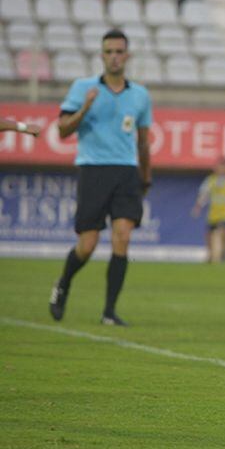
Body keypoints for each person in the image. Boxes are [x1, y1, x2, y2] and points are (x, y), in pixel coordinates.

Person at [49, 29, 153, 327]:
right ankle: (63, 283)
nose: (114, 57)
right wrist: (84, 108)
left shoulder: (140, 95)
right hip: (93, 169)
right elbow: (62, 129)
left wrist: (145, 178)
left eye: (119, 51)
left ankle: (109, 311)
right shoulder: (83, 88)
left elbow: (143, 141)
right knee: (88, 244)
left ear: (127, 56)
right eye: (109, 52)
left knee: (123, 237)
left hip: (126, 170)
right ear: (101, 55)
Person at [191, 158, 225, 263]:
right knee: (209, 234)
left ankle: (224, 252)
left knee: (224, 232)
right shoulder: (210, 180)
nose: (221, 169)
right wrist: (198, 207)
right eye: (219, 167)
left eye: (223, 167)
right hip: (213, 212)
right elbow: (204, 195)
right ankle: (210, 254)